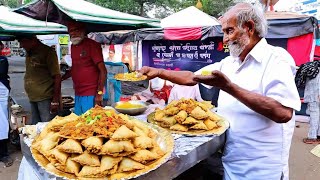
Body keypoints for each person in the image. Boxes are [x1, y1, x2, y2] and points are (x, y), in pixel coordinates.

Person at [139, 3, 300, 180]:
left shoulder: (276, 59)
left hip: (262, 170)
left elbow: (283, 112)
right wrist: (159, 72)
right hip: (231, 164)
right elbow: (192, 77)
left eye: (229, 31)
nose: (224, 39)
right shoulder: (230, 63)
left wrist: (229, 87)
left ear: (249, 27)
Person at [62, 21, 107, 115]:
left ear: (83, 31)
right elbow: (75, 67)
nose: (73, 33)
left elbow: (103, 70)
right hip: (78, 92)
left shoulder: (92, 45)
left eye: (76, 30)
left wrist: (99, 93)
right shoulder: (73, 46)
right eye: (71, 31)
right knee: (79, 121)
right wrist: (61, 77)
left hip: (91, 93)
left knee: (90, 123)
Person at [17, 36, 61, 124]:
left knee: (47, 126)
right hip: (33, 97)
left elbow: (57, 76)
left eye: (23, 42)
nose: (21, 46)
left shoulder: (48, 52)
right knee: (36, 125)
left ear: (33, 40)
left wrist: (55, 101)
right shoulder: (29, 51)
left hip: (45, 97)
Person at [297, 61, 320, 144]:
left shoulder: (313, 71)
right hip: (316, 96)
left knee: (314, 115)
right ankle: (318, 136)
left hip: (314, 96)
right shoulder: (315, 70)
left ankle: (312, 137)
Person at [0, 41, 13, 167]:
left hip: (1, 94)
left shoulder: (2, 60)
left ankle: (3, 153)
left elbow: (1, 73)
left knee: (2, 123)